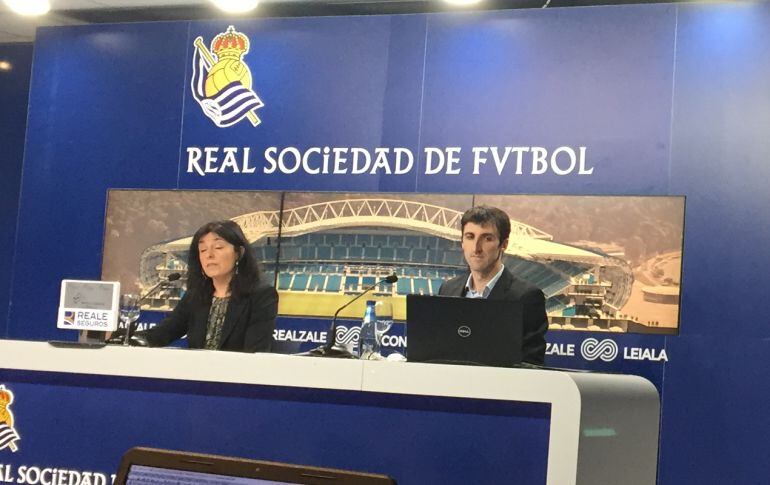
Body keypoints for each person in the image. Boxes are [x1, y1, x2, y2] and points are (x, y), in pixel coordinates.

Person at [144, 220, 278, 352]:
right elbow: (164, 332)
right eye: (203, 250)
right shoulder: (195, 296)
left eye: (218, 247)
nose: (209, 255)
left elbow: (255, 353)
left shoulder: (262, 296)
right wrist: (134, 338)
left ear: (239, 253)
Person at [438, 206, 547, 364]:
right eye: (470, 237)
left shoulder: (527, 297)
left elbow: (531, 365)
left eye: (487, 238)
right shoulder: (448, 289)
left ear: (504, 244)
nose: (476, 248)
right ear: (462, 242)